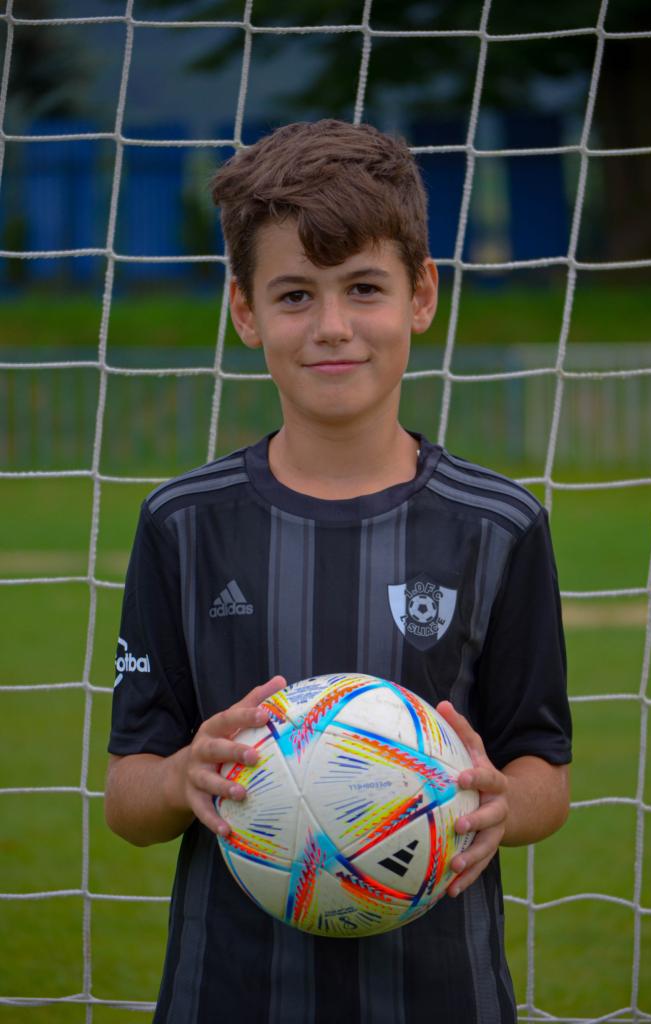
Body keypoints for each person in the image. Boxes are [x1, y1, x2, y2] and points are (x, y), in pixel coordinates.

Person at [105, 119, 572, 1024]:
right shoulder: (182, 524)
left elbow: (543, 773)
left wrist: (500, 804)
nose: (331, 327)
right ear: (245, 311)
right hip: (227, 995)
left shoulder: (500, 525)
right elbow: (129, 797)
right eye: (294, 296)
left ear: (420, 294)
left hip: (443, 996)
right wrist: (181, 777)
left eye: (364, 288)